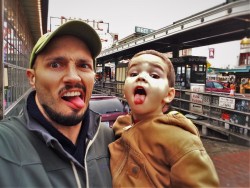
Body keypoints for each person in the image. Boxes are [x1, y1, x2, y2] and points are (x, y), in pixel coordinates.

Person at [0, 20, 115, 187]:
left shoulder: (110, 140)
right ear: (32, 78)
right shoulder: (5, 145)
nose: (73, 77)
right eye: (55, 65)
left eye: (83, 65)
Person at [108, 50, 220, 187]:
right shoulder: (120, 126)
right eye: (133, 74)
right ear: (124, 91)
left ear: (169, 94)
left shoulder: (182, 142)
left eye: (154, 75)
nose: (141, 77)